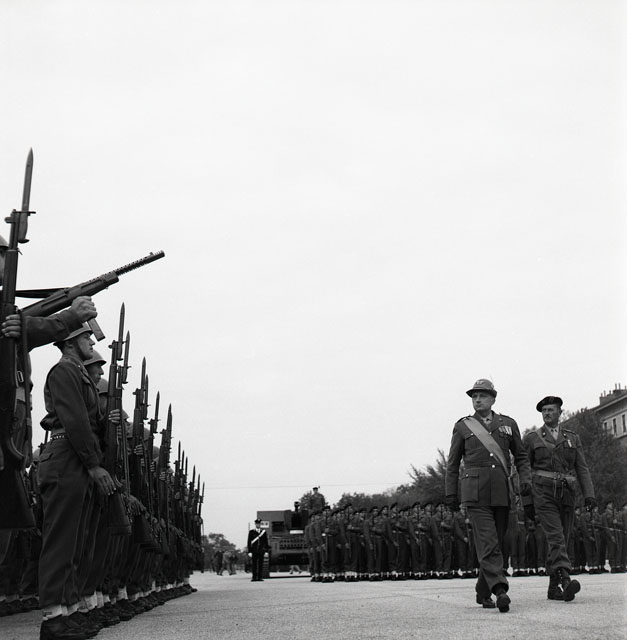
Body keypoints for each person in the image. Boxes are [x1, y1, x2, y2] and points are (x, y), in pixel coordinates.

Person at [38, 324, 118, 640]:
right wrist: (94, 464)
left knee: (76, 544)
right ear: (70, 341)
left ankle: (68, 613)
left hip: (76, 459)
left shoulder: (78, 373)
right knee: (61, 542)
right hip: (66, 457)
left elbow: (91, 422)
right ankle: (53, 619)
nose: (91, 341)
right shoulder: (64, 371)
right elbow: (75, 421)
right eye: (86, 337)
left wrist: (108, 423)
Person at [445, 378, 531, 613]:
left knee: (499, 543)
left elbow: (521, 457)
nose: (477, 399)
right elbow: (452, 464)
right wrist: (451, 493)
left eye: (482, 395)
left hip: (502, 491)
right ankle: (500, 589)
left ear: (493, 399)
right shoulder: (463, 426)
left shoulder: (508, 424)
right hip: (475, 494)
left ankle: (483, 590)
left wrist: (525, 480)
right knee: (488, 541)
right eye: (474, 396)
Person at [522, 396, 596, 601]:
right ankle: (565, 579)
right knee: (556, 536)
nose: (547, 413)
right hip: (543, 493)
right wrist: (526, 501)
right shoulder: (532, 438)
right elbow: (523, 470)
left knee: (563, 537)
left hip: (566, 493)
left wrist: (589, 495)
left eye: (551, 410)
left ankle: (553, 587)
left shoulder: (572, 438)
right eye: (544, 410)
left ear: (560, 412)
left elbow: (581, 468)